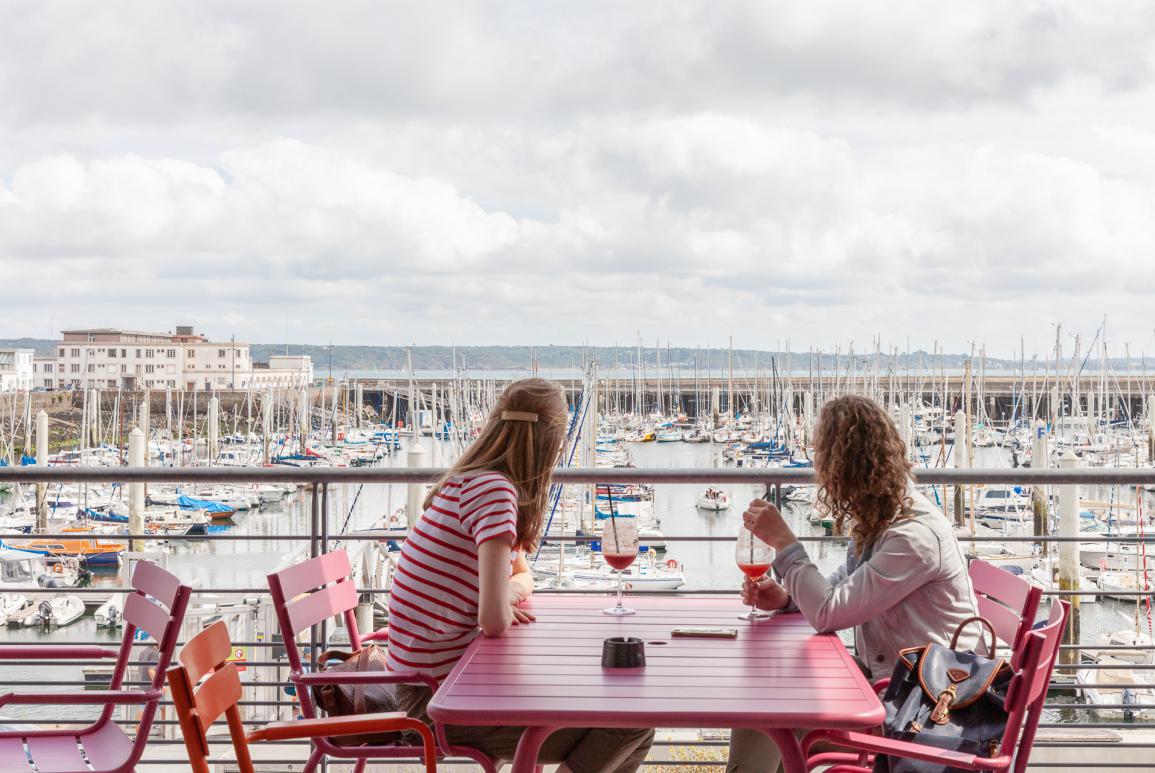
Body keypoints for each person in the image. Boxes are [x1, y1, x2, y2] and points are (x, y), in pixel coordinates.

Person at [388, 377, 654, 772]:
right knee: (629, 726)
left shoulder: (469, 480)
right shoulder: (495, 493)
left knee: (630, 727)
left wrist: (505, 592)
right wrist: (504, 597)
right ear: (550, 442)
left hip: (438, 682)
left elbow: (522, 576)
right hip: (439, 702)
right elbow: (493, 621)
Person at [727, 395, 981, 773]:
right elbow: (839, 589)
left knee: (767, 713)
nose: (820, 476)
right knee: (764, 705)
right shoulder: (887, 517)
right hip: (894, 689)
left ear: (844, 468)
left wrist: (785, 544)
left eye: (823, 462)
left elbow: (829, 612)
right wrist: (787, 598)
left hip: (923, 710)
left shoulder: (912, 537)